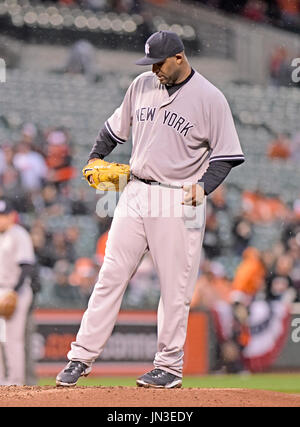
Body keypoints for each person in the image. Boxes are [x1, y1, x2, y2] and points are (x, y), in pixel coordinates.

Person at [56, 30, 245, 388]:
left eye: (158, 62)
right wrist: (95, 157)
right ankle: (80, 357)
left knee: (175, 288)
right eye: (150, 62)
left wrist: (203, 188)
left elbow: (226, 156)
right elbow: (114, 129)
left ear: (179, 57)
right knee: (110, 275)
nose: (153, 69)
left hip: (179, 196)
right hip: (136, 190)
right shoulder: (142, 84)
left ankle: (169, 366)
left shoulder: (210, 98)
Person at [0, 199, 36, 385]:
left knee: (13, 339)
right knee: (0, 340)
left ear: (11, 216)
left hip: (16, 292)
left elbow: (27, 266)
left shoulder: (18, 234)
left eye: (3, 216)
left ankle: (15, 382)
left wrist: (13, 292)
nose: (1, 219)